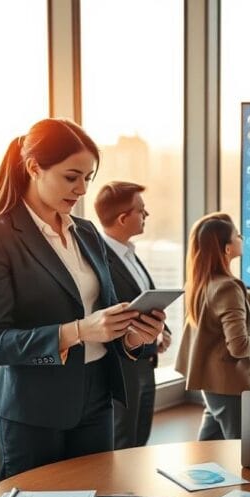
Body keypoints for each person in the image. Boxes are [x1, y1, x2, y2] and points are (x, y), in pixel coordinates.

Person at [0, 118, 166, 481]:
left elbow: (101, 321)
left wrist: (135, 336)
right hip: (33, 408)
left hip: (97, 397)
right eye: (71, 177)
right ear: (33, 168)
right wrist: (78, 331)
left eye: (88, 179)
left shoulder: (87, 233)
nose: (82, 190)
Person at [175, 213, 250, 440]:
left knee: (208, 444)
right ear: (227, 249)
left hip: (212, 384)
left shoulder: (203, 282)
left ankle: (196, 474)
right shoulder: (227, 288)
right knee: (240, 449)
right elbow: (239, 347)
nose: (242, 238)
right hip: (229, 386)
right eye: (237, 236)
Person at [93, 181, 169, 449]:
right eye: (141, 210)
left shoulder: (129, 253)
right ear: (123, 218)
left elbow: (146, 297)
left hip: (146, 362)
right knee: (124, 441)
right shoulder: (99, 260)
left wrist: (162, 332)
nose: (146, 215)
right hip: (122, 367)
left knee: (140, 438)